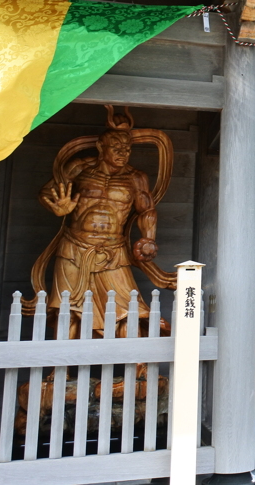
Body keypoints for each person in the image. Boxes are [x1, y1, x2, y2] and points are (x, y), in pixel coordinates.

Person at [38, 109, 160, 338]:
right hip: (74, 247)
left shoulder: (136, 177)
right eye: (116, 148)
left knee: (127, 308)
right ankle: (62, 367)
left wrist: (149, 238)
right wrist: (55, 207)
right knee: (68, 307)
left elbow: (148, 210)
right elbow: (47, 192)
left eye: (127, 149)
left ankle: (136, 366)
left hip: (113, 250)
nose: (123, 154)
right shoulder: (79, 168)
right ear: (101, 147)